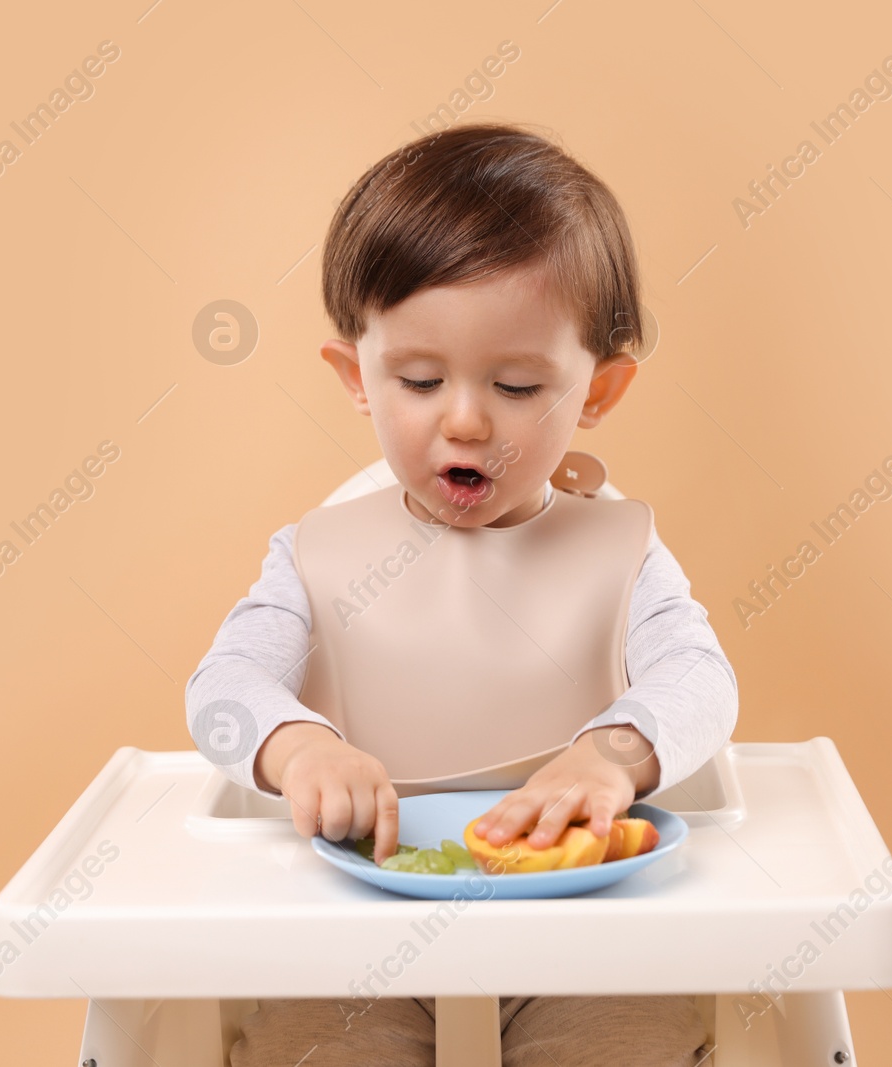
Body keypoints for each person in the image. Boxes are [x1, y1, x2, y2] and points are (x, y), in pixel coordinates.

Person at [186, 120, 738, 1066]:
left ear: (599, 391)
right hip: (360, 917)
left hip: (582, 924)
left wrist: (613, 752)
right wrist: (296, 745)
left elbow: (699, 676)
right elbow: (223, 686)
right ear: (356, 376)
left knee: (627, 1039)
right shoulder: (315, 555)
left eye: (519, 385)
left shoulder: (622, 550)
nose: (468, 418)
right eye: (420, 378)